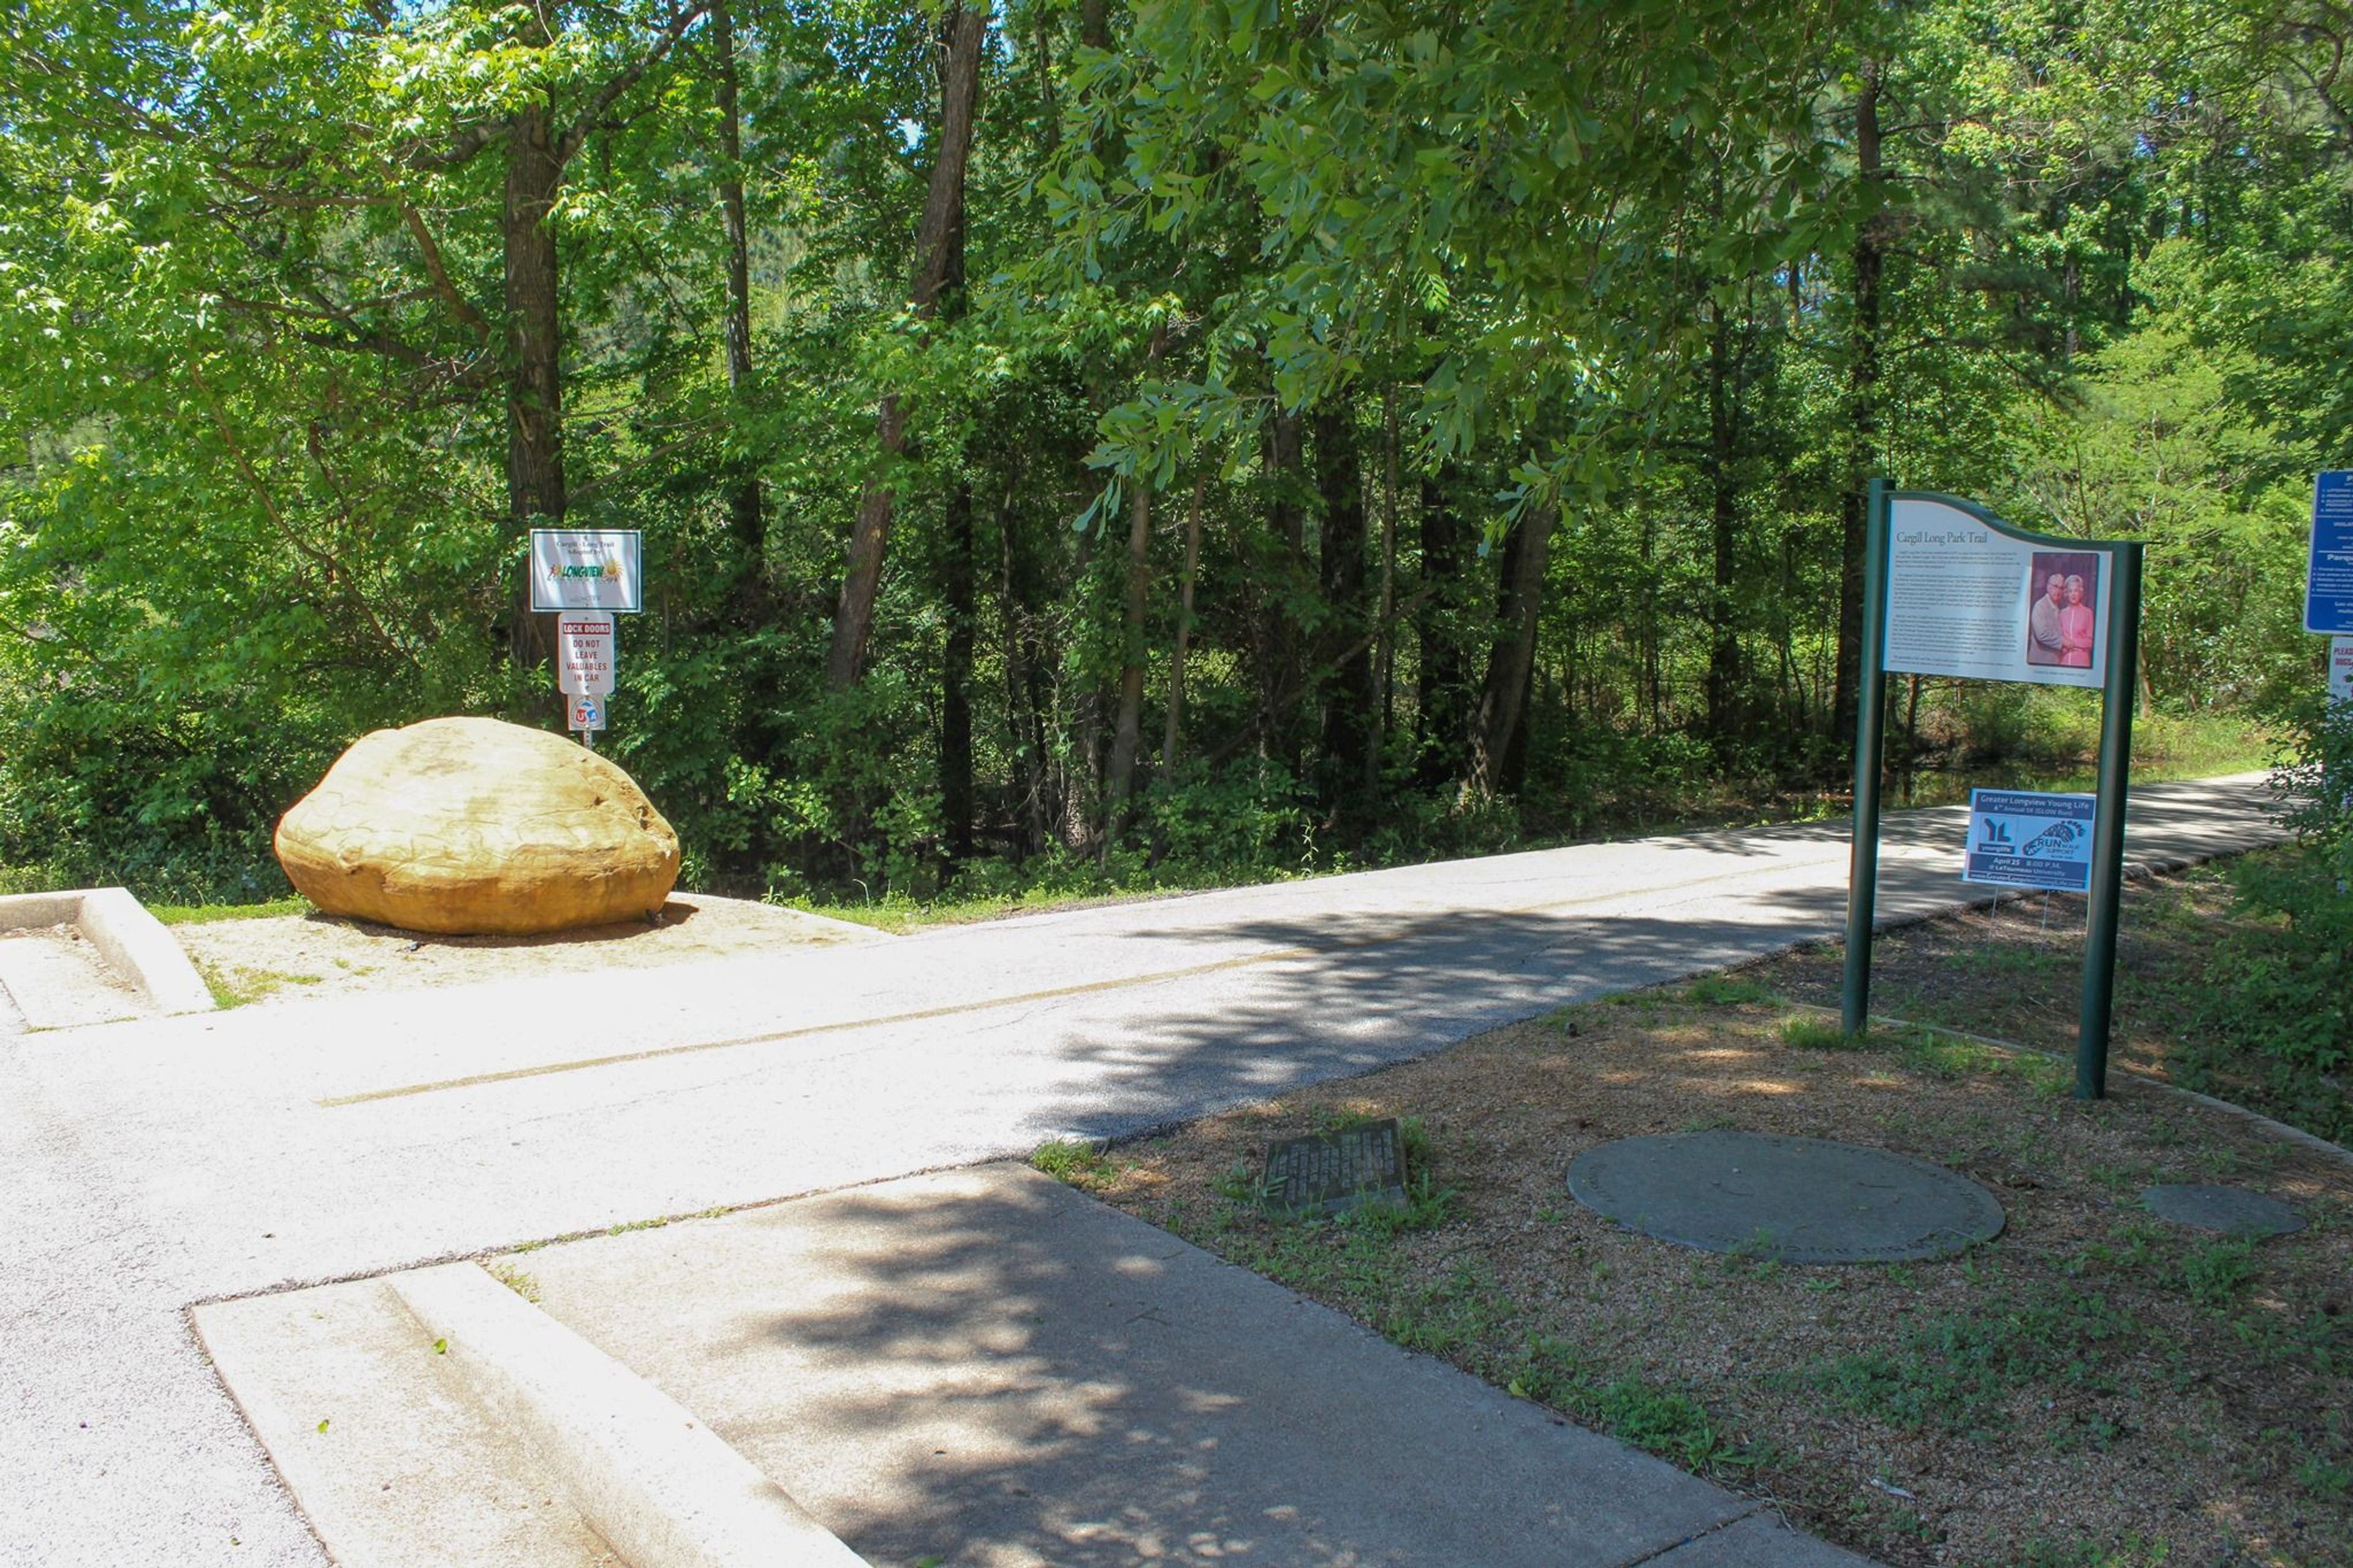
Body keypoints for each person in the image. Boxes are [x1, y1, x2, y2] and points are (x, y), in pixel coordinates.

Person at [2028, 571, 2067, 663]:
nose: (2058, 591)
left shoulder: (2062, 607)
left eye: (2061, 588)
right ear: (2048, 587)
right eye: (2055, 586)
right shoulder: (2040, 606)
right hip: (2040, 662)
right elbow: (2042, 635)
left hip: (2055, 662)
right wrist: (2063, 642)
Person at [2059, 574, 2094, 667]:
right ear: (2067, 593)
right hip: (2064, 660)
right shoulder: (2062, 613)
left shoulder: (2088, 613)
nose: (2073, 594)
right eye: (2070, 591)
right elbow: (2059, 638)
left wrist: (2072, 643)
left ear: (2080, 592)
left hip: (2081, 661)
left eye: (2076, 591)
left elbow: (2090, 642)